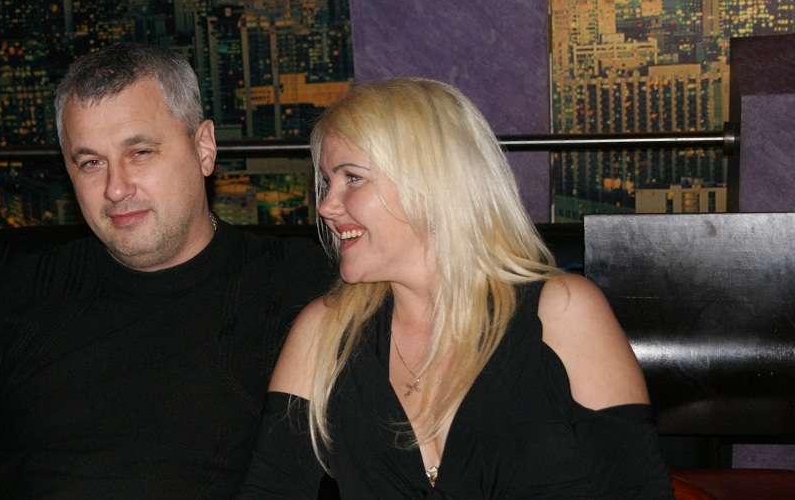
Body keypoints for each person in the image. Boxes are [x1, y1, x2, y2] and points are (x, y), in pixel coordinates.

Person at [0, 43, 334, 499]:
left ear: (204, 147)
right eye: (91, 162)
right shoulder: (13, 298)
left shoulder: (302, 286)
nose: (116, 188)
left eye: (140, 152)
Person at [240, 78, 674, 498]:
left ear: (430, 184)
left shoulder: (561, 313)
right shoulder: (325, 330)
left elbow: (637, 488)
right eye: (328, 181)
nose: (326, 206)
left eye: (352, 177)